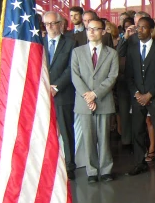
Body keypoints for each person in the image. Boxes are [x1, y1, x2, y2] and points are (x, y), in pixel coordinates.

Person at [71, 18, 119, 183]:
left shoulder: (111, 54)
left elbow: (112, 77)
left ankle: (106, 169)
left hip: (103, 100)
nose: (91, 32)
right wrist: (87, 95)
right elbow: (75, 76)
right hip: (84, 102)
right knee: (88, 138)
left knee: (104, 138)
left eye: (95, 29)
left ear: (103, 32)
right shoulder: (77, 52)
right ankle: (91, 171)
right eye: (89, 29)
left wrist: (95, 94)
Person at [125, 17, 155, 177]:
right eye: (138, 27)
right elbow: (128, 76)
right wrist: (137, 94)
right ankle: (139, 163)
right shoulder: (132, 49)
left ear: (151, 30)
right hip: (137, 98)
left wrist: (149, 94)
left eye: (143, 28)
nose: (139, 30)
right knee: (137, 131)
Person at [42, 11, 77, 180]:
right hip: (41, 94)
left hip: (63, 94)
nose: (50, 27)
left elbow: (71, 68)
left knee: (66, 130)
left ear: (61, 24)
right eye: (47, 24)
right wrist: (44, 87)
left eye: (53, 23)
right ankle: (48, 163)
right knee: (45, 131)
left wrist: (56, 87)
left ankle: (70, 165)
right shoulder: (38, 43)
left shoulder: (70, 43)